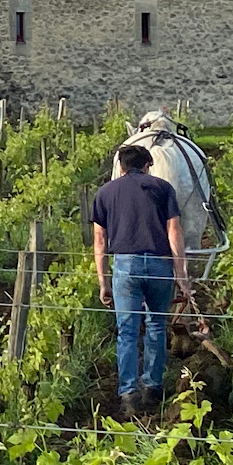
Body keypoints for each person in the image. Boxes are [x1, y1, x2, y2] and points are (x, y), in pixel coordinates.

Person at [90, 143, 193, 416]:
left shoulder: (105, 192)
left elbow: (100, 240)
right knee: (157, 325)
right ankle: (152, 387)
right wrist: (182, 276)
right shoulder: (163, 189)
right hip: (159, 265)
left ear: (121, 167)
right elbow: (174, 231)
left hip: (125, 266)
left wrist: (103, 281)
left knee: (127, 331)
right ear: (148, 165)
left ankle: (128, 394)